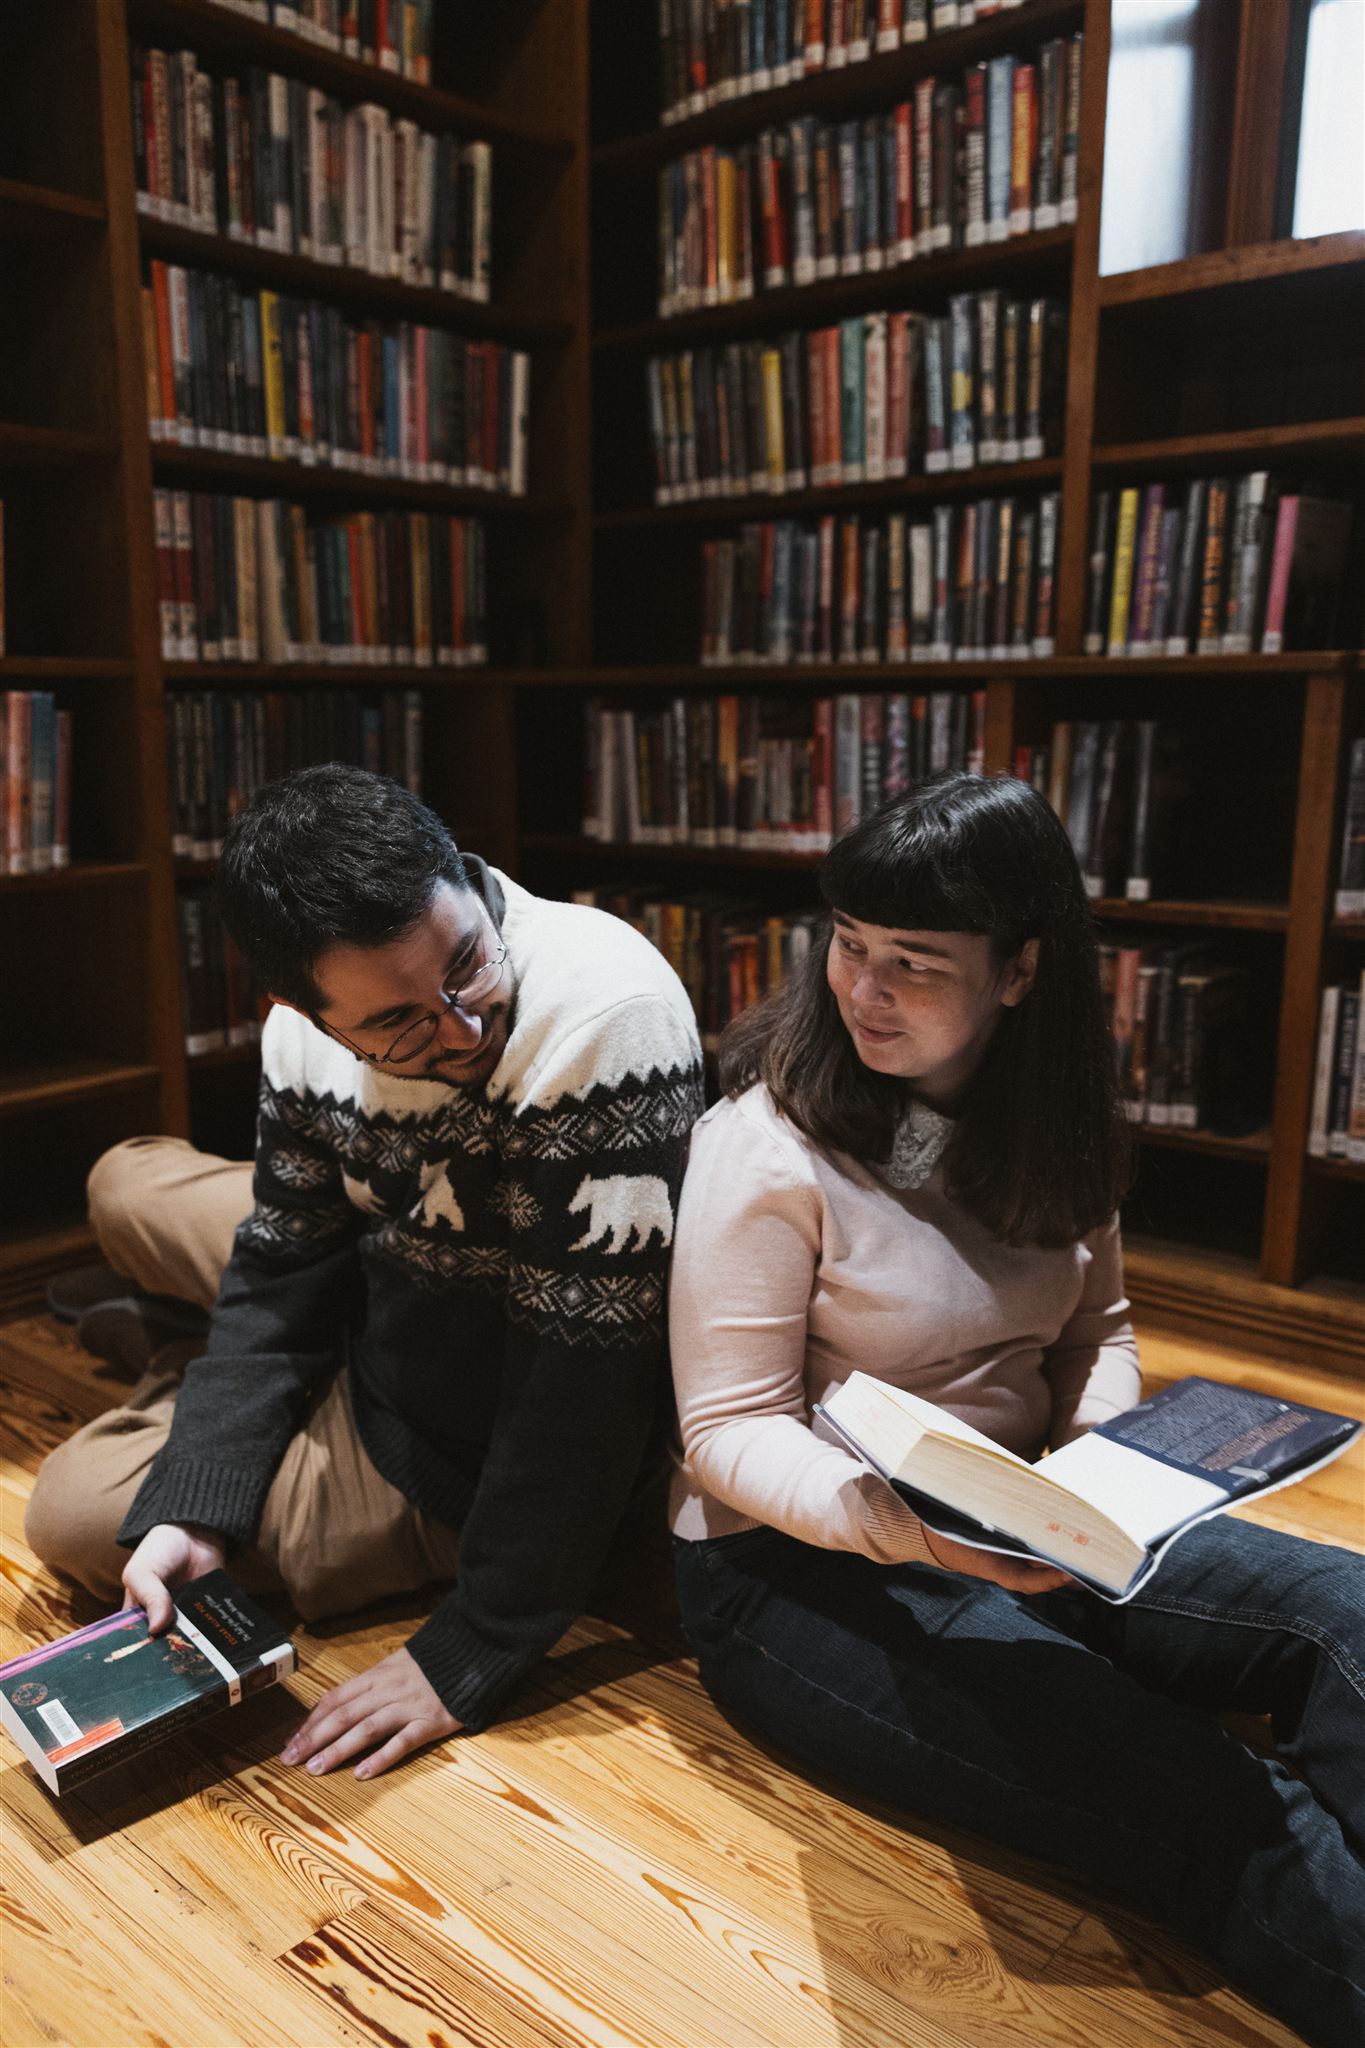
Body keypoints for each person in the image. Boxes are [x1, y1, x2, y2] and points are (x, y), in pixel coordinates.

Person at [665, 772, 1364, 2048]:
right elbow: (724, 1430)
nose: (863, 991)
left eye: (914, 963)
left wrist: (1097, 1457)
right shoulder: (762, 1145)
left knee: (1344, 1609)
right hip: (808, 1561)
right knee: (1192, 1791)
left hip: (1037, 1500)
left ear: (1022, 971)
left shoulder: (1056, 1117)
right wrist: (915, 1532)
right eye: (851, 947)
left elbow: (1101, 1329)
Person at [27, 764, 703, 1778]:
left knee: (69, 1509)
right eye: (397, 1024)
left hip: (468, 1412)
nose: (464, 1027)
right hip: (398, 1284)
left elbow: (583, 1382)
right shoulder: (300, 1040)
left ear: (468, 882)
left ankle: (176, 1345)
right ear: (307, 1013)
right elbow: (286, 1259)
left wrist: (477, 1639)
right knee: (121, 1179)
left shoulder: (603, 1013)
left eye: (467, 965)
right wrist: (201, 1497)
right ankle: (187, 1347)